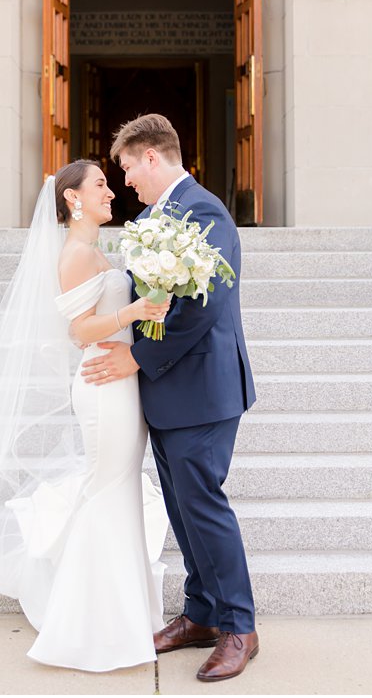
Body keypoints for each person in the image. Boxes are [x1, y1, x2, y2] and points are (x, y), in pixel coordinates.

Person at [0, 160, 170, 672]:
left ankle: (123, 617)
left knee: (117, 492)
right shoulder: (76, 254)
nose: (110, 191)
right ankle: (85, 627)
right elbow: (79, 331)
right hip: (102, 386)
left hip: (119, 383)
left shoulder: (95, 250)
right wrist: (134, 311)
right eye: (100, 184)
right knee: (106, 492)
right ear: (73, 199)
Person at [82, 112, 260, 683]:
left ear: (153, 157)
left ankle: (240, 626)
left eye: (129, 167)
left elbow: (200, 308)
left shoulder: (204, 212)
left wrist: (137, 358)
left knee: (203, 505)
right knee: (183, 511)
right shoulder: (159, 216)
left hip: (202, 389)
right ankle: (203, 614)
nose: (127, 180)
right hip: (168, 393)